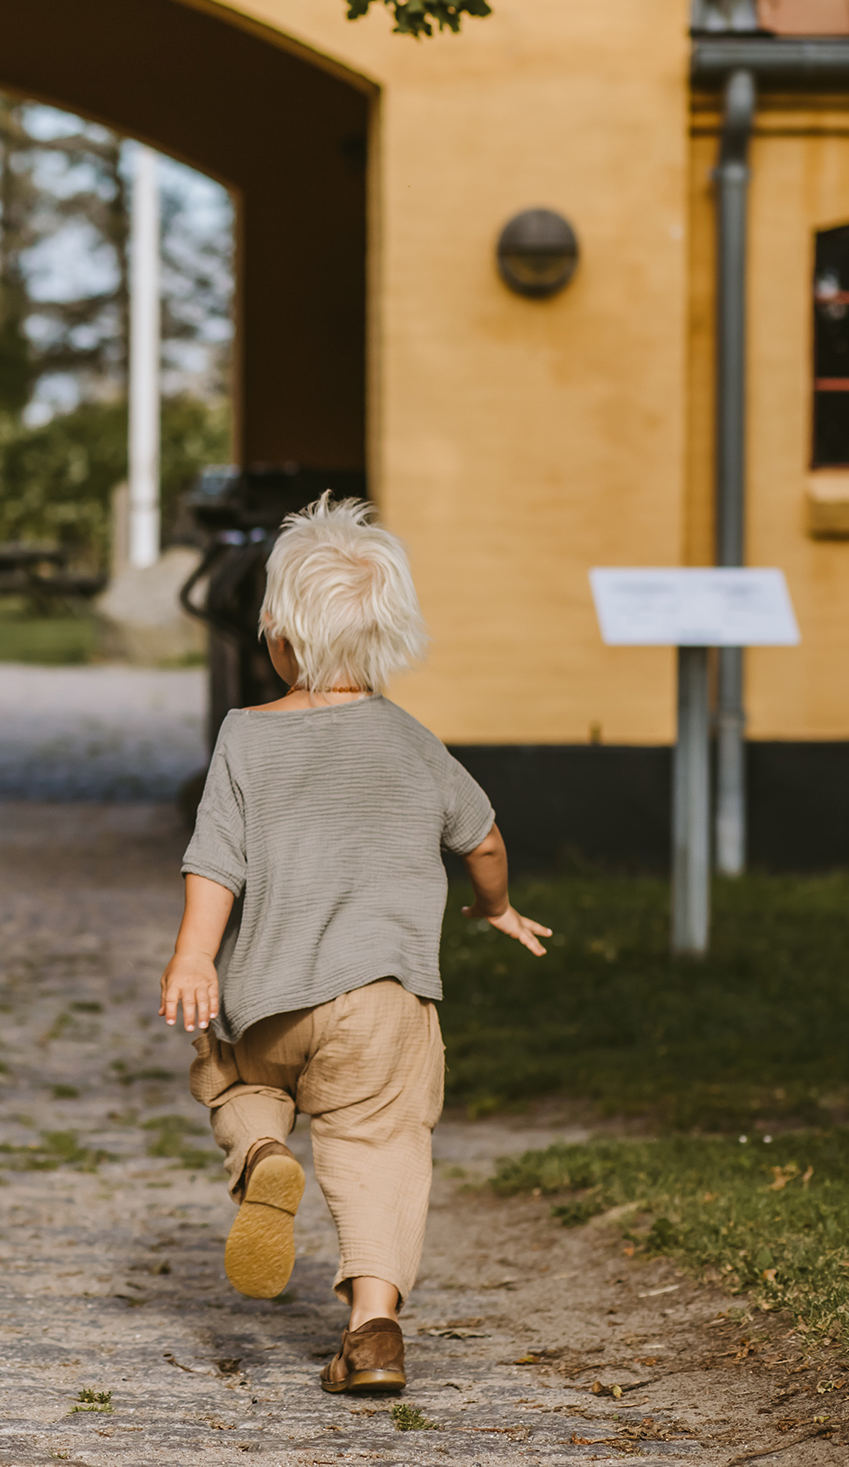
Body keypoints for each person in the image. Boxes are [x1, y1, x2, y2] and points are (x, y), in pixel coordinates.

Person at [155, 496, 552, 1398]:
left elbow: (215, 858)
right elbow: (482, 837)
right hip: (384, 1003)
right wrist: (495, 906)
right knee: (380, 1144)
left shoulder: (246, 737)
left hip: (269, 1001)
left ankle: (262, 1153)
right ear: (387, 641)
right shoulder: (414, 742)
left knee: (234, 1077)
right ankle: (374, 1331)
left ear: (277, 638)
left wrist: (192, 957)